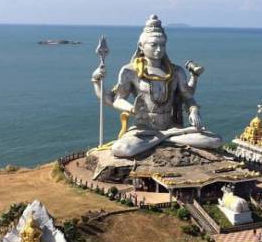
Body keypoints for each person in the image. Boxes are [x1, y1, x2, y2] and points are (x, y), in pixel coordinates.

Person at [91, 15, 222, 157]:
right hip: (144, 129)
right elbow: (116, 100)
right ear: (141, 46)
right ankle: (164, 139)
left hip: (171, 128)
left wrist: (194, 111)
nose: (159, 50)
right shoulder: (130, 71)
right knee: (122, 148)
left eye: (162, 45)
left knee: (215, 140)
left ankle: (163, 138)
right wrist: (97, 81)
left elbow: (188, 97)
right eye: (153, 45)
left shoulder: (176, 71)